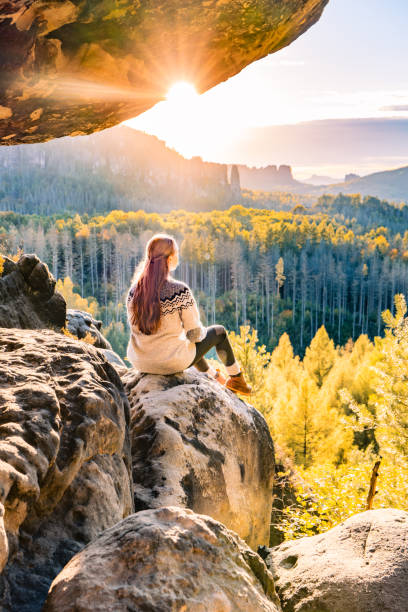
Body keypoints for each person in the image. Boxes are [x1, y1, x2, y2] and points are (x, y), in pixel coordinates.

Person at [126, 233, 252, 395]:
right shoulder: (179, 292)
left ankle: (214, 376)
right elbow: (195, 336)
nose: (178, 256)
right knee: (218, 332)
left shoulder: (134, 291)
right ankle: (237, 380)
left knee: (187, 345)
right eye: (176, 253)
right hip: (169, 363)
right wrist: (195, 335)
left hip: (140, 361)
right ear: (169, 259)